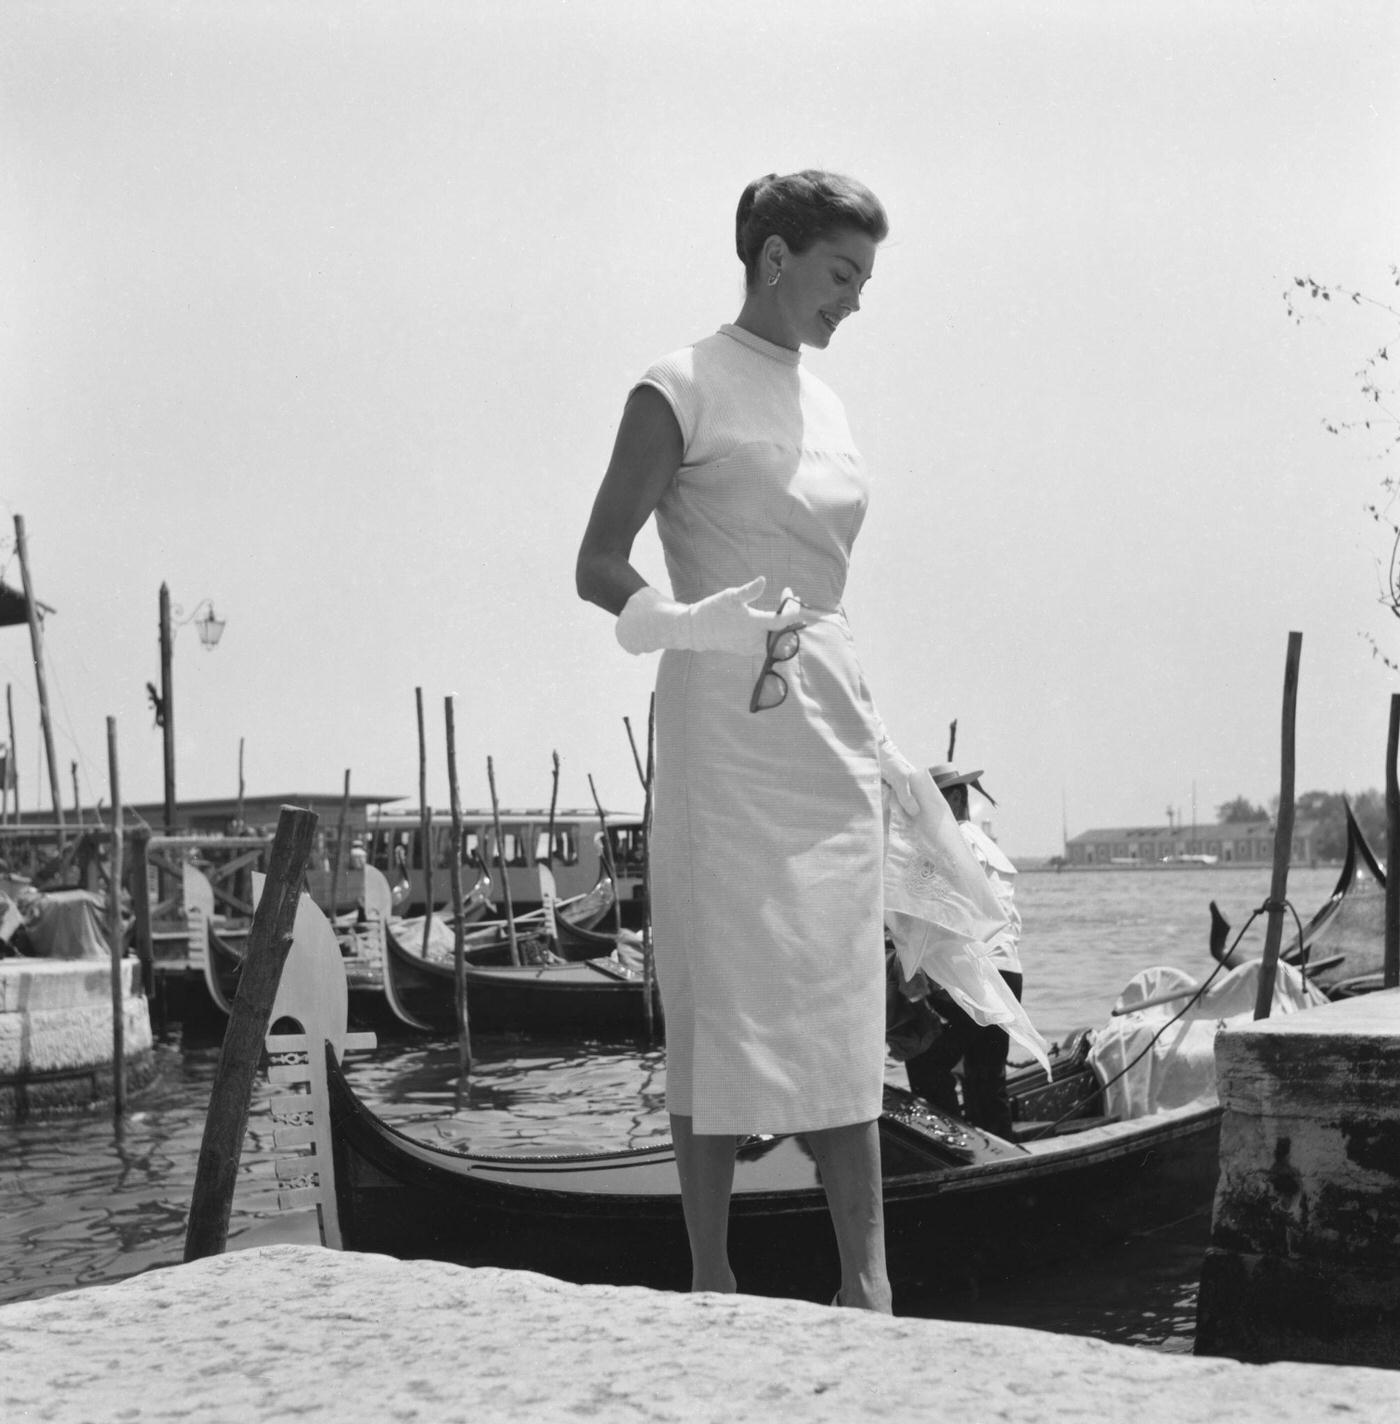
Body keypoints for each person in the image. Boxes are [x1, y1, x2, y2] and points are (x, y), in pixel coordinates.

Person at [576, 170, 929, 1313]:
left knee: (835, 982)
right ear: (773, 259)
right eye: (841, 274)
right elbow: (596, 559)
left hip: (825, 709)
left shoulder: (822, 402)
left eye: (864, 279)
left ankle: (865, 1282)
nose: (855, 302)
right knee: (719, 982)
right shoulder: (677, 383)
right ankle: (711, 1275)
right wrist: (685, 623)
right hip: (720, 708)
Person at [902, 761, 1024, 1138]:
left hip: (976, 974)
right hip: (1006, 972)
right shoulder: (986, 845)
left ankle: (951, 1149)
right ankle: (998, 1157)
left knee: (925, 1062)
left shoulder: (953, 841)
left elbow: (934, 909)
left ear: (953, 799)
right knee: (986, 1081)